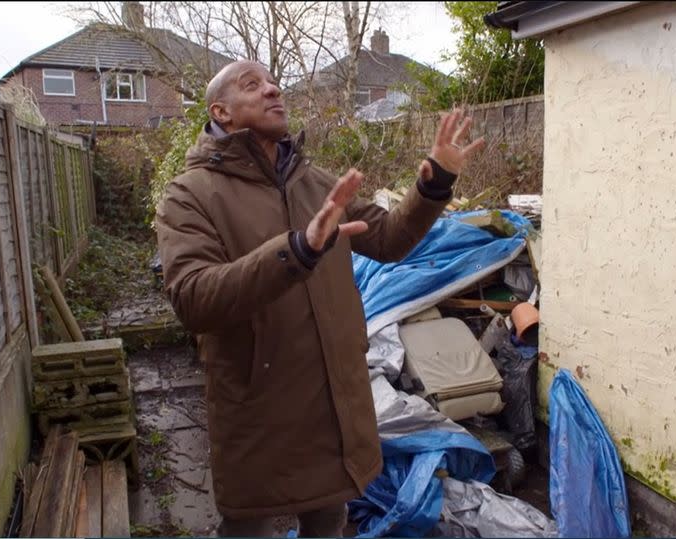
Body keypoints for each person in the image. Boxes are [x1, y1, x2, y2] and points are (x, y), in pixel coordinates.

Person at [155, 60, 485, 538]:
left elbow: (390, 239)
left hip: (332, 400)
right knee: (248, 527)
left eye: (273, 82)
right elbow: (193, 297)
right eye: (253, 86)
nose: (272, 90)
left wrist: (433, 185)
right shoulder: (190, 195)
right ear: (220, 112)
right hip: (257, 406)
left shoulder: (315, 182)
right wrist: (296, 249)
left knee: (329, 522)